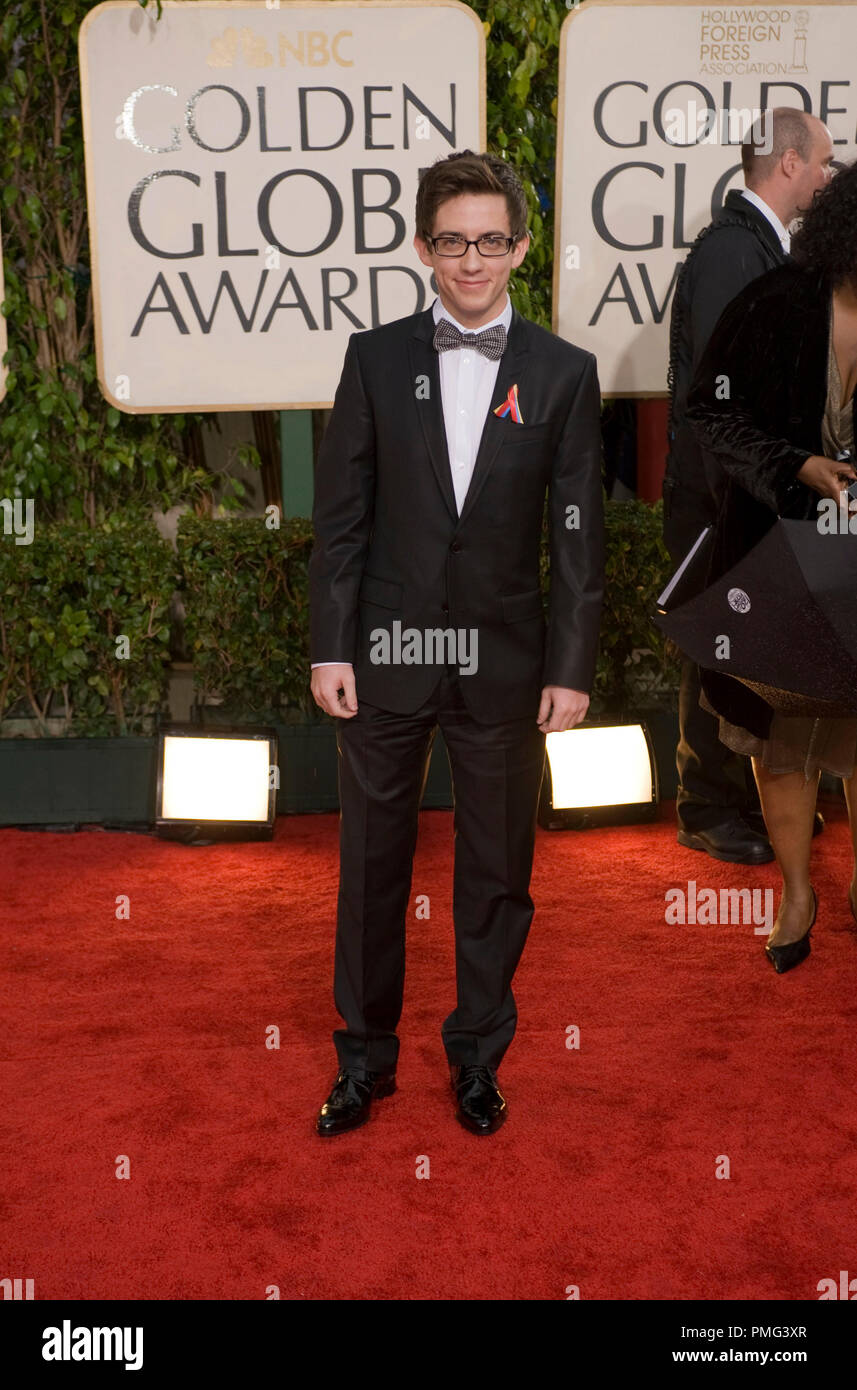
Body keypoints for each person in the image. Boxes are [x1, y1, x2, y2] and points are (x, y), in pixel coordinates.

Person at [308, 150, 604, 1134]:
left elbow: (576, 537)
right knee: (370, 868)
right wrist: (331, 646)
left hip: (508, 666)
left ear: (518, 246)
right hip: (387, 653)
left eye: (489, 240)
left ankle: (477, 1058)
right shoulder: (375, 358)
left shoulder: (564, 375)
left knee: (494, 873)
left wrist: (569, 667)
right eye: (450, 240)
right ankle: (364, 1058)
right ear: (421, 246)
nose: (470, 259)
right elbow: (342, 519)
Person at [685, 157, 857, 973]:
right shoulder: (776, 301)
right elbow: (709, 411)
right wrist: (794, 466)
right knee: (782, 739)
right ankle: (796, 892)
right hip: (777, 558)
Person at [664, 107, 834, 865]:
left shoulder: (759, 250)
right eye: (824, 163)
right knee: (716, 646)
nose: (828, 178)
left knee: (747, 652)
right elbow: (721, 403)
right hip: (719, 504)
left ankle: (753, 799)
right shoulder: (734, 254)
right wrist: (748, 510)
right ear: (789, 163)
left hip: (741, 500)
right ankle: (705, 806)